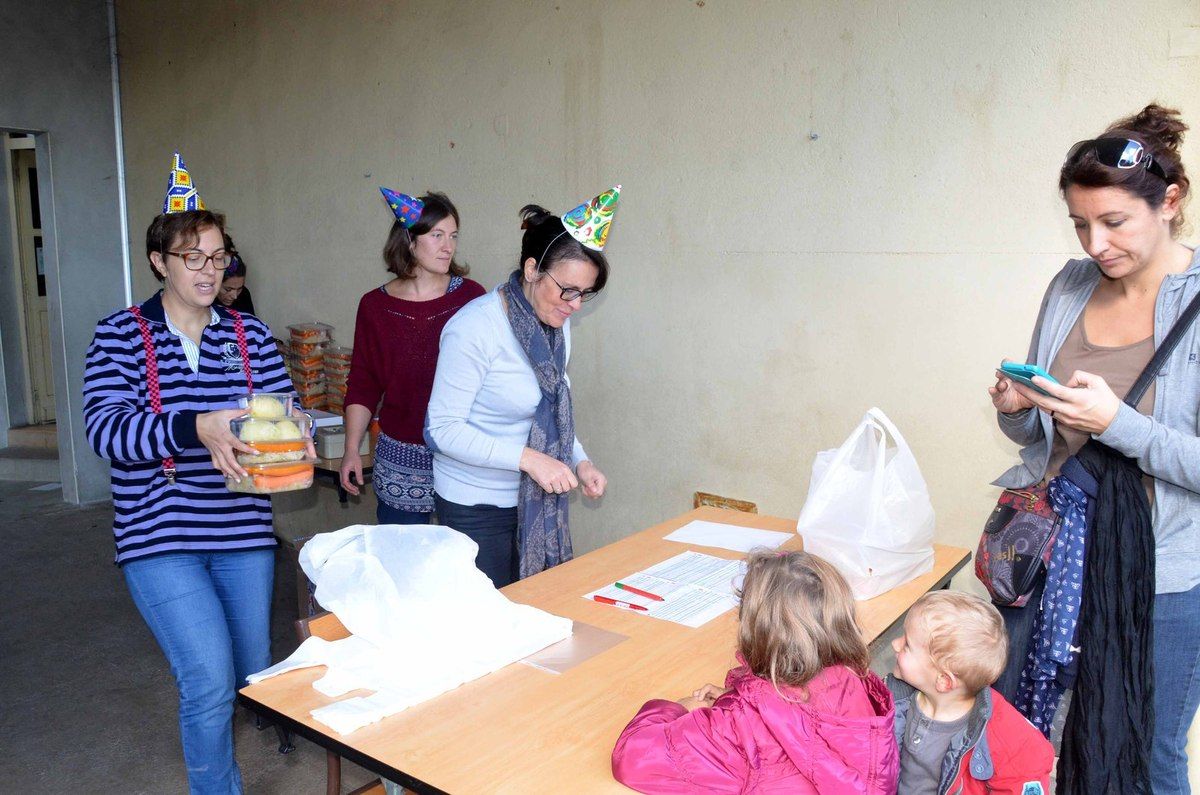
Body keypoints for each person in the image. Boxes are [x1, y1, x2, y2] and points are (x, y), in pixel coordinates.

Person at [989, 104, 1198, 791]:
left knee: (1146, 744)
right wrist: (1019, 409)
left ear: (1169, 202)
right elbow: (1047, 435)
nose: (1094, 244)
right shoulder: (1070, 285)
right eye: (1080, 224)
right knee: (1033, 726)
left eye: (1114, 222)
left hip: (1163, 574)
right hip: (1052, 552)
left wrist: (1120, 424)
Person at [82, 153, 302, 793]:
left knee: (249, 668)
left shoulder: (252, 337)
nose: (210, 271)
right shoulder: (119, 336)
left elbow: (280, 418)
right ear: (160, 262)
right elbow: (106, 430)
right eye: (193, 258)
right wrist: (195, 426)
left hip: (242, 530)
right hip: (160, 536)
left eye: (218, 257)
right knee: (206, 677)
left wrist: (290, 443)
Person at [425, 187, 619, 587]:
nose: (575, 305)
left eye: (585, 293)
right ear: (531, 270)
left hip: (532, 501)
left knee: (536, 611)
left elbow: (552, 408)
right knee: (489, 629)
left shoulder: (557, 321)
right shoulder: (475, 328)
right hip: (475, 507)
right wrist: (529, 459)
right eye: (567, 290)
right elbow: (442, 430)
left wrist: (579, 461)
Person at [610, 550, 899, 794]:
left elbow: (632, 758)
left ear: (754, 630)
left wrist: (676, 708)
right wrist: (738, 697)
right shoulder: (854, 683)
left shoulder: (739, 727)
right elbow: (798, 718)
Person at [340, 189, 484, 524]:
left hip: (462, 458)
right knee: (403, 565)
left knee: (463, 566)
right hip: (399, 461)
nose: (448, 246)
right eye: (436, 235)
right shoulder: (375, 307)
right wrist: (351, 449)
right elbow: (364, 382)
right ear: (409, 240)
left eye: (453, 236)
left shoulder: (472, 298)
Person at [888, 591, 1054, 795]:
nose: (895, 644)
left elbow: (1027, 768)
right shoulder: (893, 696)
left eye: (907, 645)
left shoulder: (1004, 736)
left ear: (944, 681)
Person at [217, 237, 256, 315]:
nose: (235, 296)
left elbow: (250, 323)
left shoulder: (244, 295)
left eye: (239, 289)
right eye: (228, 289)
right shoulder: (204, 301)